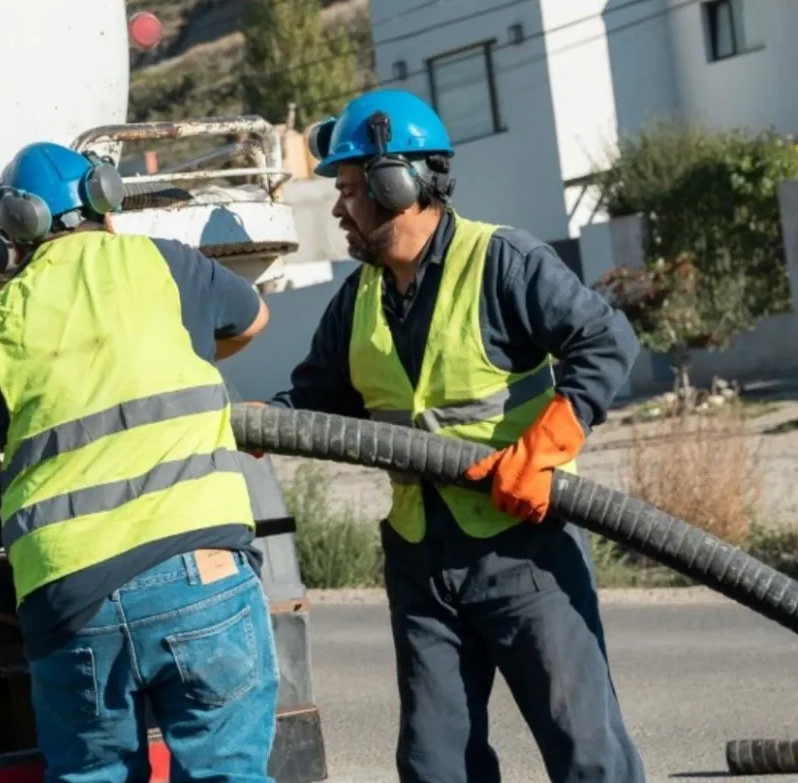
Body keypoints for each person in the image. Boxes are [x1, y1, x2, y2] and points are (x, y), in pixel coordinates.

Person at [267, 90, 647, 783]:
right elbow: (311, 400)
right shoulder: (358, 300)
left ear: (399, 184)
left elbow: (605, 338)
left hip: (522, 551)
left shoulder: (501, 261)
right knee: (435, 765)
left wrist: (544, 449)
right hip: (422, 563)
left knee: (588, 754)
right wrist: (254, 426)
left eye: (351, 190)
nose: (340, 208)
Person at [0, 141, 279, 783]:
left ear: (15, 229)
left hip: (72, 594)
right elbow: (254, 319)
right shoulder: (166, 265)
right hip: (202, 572)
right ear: (105, 198)